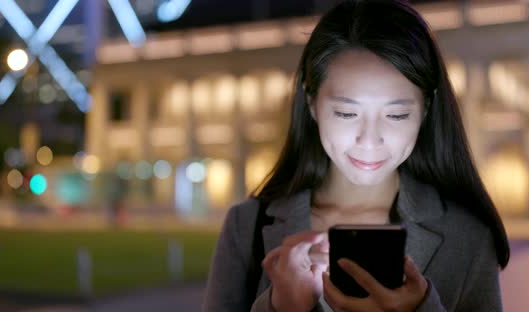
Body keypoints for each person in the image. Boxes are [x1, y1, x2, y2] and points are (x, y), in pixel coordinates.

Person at [203, 0, 510, 311]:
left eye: (397, 115)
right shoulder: (246, 227)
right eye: (347, 113)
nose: (369, 139)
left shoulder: (468, 237)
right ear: (312, 103)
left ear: (426, 109)